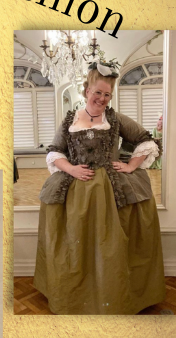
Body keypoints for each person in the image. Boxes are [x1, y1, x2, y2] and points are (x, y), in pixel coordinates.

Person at [34, 60, 165, 315]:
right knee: (76, 242)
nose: (102, 98)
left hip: (110, 190)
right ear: (86, 91)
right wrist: (71, 169)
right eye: (98, 92)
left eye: (107, 94)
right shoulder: (70, 119)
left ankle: (113, 295)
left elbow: (146, 141)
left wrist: (130, 166)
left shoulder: (115, 119)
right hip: (76, 190)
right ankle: (77, 295)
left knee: (110, 243)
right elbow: (54, 152)